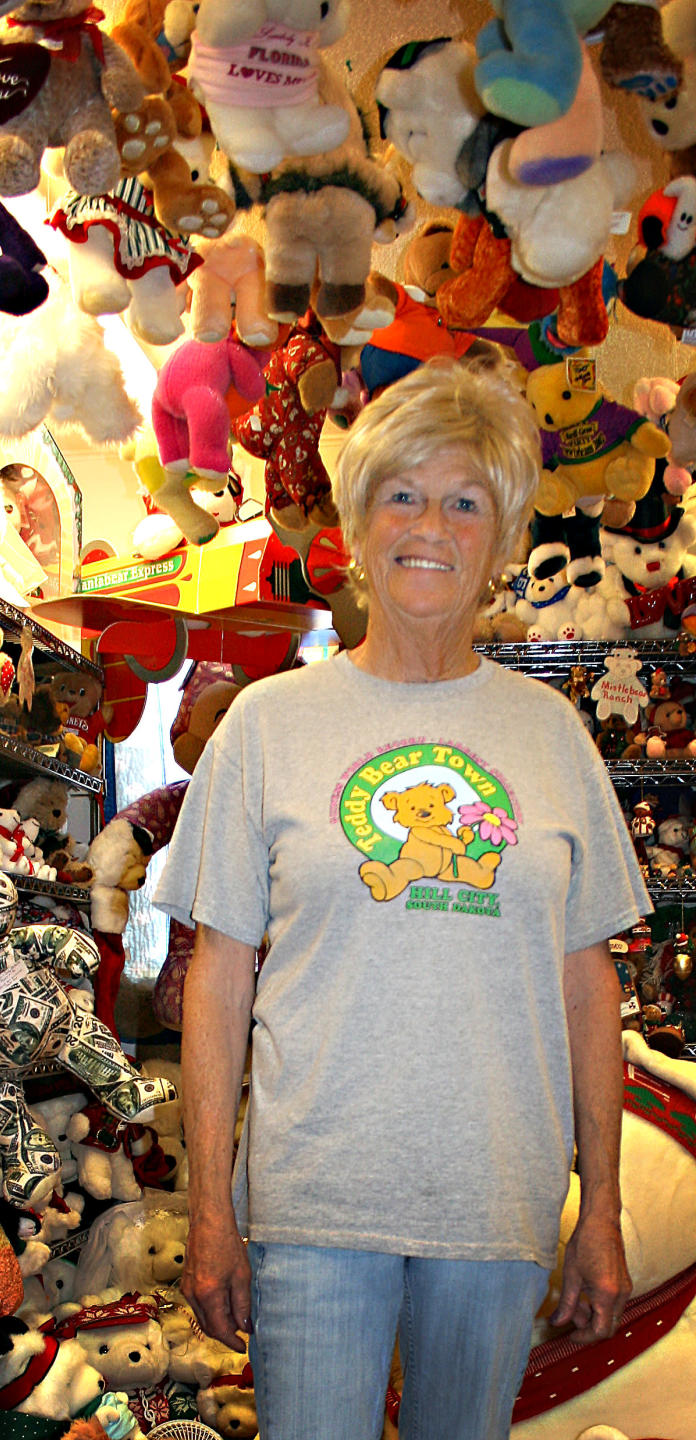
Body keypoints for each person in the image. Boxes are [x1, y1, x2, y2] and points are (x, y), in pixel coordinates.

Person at [153, 357, 651, 1440]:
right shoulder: (267, 727)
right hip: (313, 1201)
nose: (433, 523)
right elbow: (216, 980)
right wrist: (209, 1208)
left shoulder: (553, 737)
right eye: (404, 493)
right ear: (360, 522)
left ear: (503, 541)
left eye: (466, 501)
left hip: (498, 1206)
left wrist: (599, 1209)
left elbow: (588, 985)